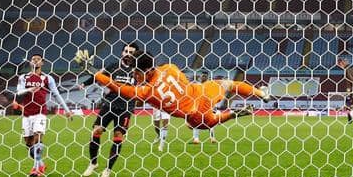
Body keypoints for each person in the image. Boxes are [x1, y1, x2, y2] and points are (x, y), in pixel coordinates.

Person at [91, 53, 268, 129]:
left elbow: (117, 87)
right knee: (228, 84)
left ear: (147, 71)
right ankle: (260, 93)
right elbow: (180, 81)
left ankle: (232, 114)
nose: (134, 76)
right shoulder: (170, 67)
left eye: (136, 72)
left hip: (195, 115)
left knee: (207, 123)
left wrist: (95, 73)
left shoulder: (147, 92)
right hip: (202, 92)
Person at [75, 43, 140, 177]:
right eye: (126, 51)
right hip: (109, 104)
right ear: (122, 53)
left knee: (118, 136)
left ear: (136, 55)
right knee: (96, 130)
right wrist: (84, 83)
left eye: (131, 52)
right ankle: (93, 163)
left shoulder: (138, 70)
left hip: (126, 108)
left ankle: (108, 169)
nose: (128, 54)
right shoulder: (113, 66)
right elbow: (99, 76)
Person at [12, 53, 73, 177]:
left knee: (38, 138)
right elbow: (19, 92)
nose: (35, 61)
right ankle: (41, 164)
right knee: (28, 143)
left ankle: (36, 169)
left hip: (40, 112)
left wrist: (66, 110)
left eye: (38, 59)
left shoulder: (47, 78)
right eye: (33, 59)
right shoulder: (23, 77)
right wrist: (30, 90)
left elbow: (56, 94)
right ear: (30, 62)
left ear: (42, 62)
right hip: (27, 113)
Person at [191, 72, 217, 144]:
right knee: (196, 122)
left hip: (208, 106)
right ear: (200, 77)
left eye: (205, 76)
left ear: (207, 77)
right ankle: (196, 138)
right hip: (199, 106)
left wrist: (214, 106)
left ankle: (212, 138)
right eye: (203, 76)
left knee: (211, 122)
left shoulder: (210, 86)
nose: (204, 77)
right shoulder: (197, 86)